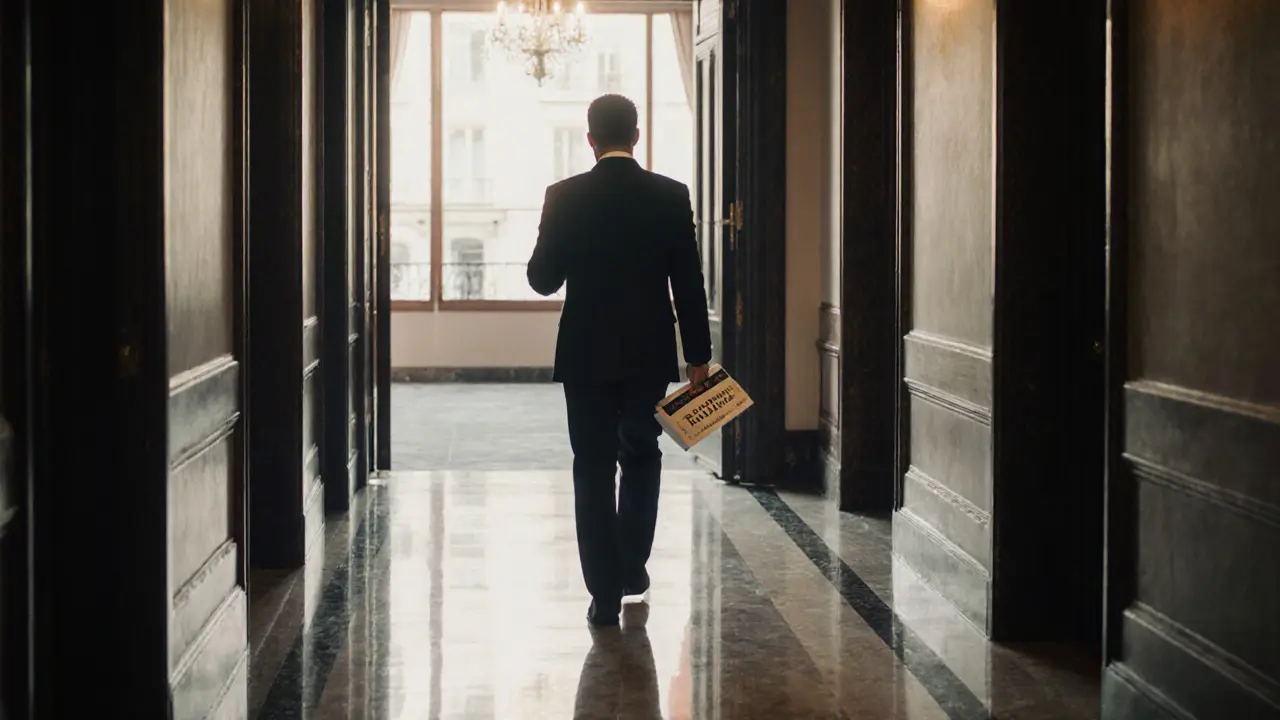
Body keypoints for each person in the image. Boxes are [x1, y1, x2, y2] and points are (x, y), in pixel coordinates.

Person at [527, 94, 712, 627]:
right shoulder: (670, 196)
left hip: (585, 354)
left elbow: (543, 280)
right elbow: (689, 286)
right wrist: (698, 356)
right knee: (641, 454)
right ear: (636, 135)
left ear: (590, 139)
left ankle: (603, 594)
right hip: (649, 353)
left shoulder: (564, 196)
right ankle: (631, 565)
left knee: (591, 466)